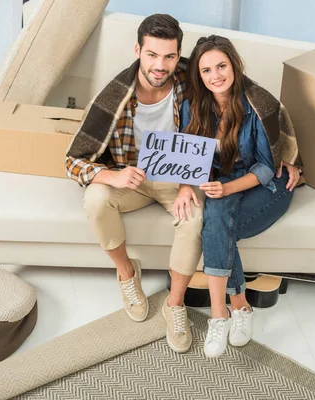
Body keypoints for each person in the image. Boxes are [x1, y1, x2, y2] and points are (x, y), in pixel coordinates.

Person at [65, 14, 204, 353]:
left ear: (179, 54)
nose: (161, 65)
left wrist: (189, 181)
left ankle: (174, 303)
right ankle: (127, 273)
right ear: (138, 50)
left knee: (195, 219)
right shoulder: (115, 94)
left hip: (176, 177)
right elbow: (73, 160)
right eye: (152, 55)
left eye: (169, 56)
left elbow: (243, 95)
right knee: (96, 199)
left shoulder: (192, 80)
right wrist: (112, 175)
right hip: (133, 177)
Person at [178, 35, 303, 357]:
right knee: (219, 222)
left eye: (221, 66)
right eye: (206, 70)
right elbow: (188, 156)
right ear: (199, 76)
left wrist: (228, 188)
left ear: (234, 64)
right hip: (222, 184)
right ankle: (228, 311)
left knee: (218, 227)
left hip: (266, 185)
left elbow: (267, 165)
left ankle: (234, 310)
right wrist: (187, 184)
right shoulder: (192, 106)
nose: (215, 75)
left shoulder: (258, 103)